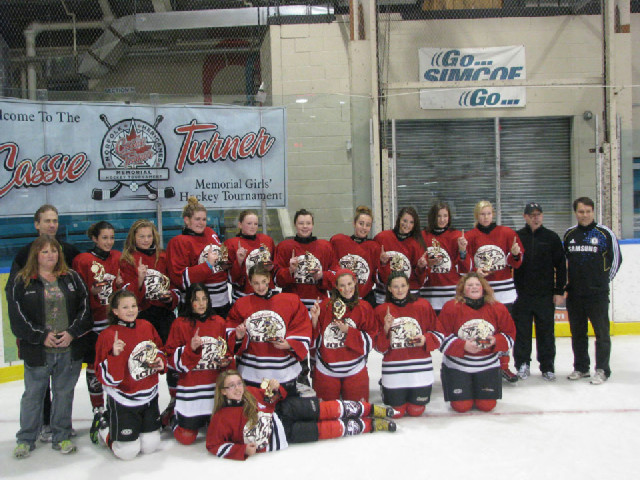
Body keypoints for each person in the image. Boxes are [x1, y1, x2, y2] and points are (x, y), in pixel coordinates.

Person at [8, 236, 91, 458]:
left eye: (54, 251)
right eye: (44, 252)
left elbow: (85, 309)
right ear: (35, 255)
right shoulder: (22, 280)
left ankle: (61, 436)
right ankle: (26, 438)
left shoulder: (72, 277)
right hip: (38, 352)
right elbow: (17, 319)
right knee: (33, 396)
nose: (50, 255)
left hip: (68, 350)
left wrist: (71, 333)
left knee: (64, 395)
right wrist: (40, 337)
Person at [206, 370, 396, 460]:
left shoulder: (252, 393)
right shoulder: (220, 418)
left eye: (239, 383)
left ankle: (370, 409)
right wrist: (242, 451)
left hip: (286, 410)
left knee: (327, 409)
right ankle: (370, 426)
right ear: (222, 391)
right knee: (327, 430)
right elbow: (213, 445)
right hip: (283, 435)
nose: (237, 389)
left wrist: (276, 389)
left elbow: (277, 397)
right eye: (231, 386)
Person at [119, 219, 180, 425]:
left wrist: (170, 298)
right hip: (141, 316)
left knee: (171, 359)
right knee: (142, 361)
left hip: (163, 315)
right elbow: (127, 297)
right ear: (133, 238)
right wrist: (138, 279)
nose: (146, 240)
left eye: (149, 236)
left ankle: (175, 402)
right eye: (141, 236)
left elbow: (174, 286)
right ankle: (142, 404)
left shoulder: (162, 256)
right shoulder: (127, 259)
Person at [94, 290, 166, 460]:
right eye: (125, 307)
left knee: (150, 446)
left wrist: (161, 361)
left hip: (148, 396)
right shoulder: (107, 336)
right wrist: (115, 356)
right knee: (127, 452)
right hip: (123, 399)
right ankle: (104, 427)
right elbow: (105, 377)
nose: (131, 310)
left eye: (133, 306)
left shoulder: (146, 326)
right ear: (115, 311)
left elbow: (159, 349)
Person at [226, 264, 312, 397]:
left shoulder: (290, 301)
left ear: (269, 279)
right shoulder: (241, 304)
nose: (260, 287)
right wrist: (238, 336)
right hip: (252, 373)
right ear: (250, 282)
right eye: (256, 283)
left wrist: (290, 344)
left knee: (284, 413)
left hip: (284, 373)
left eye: (264, 282)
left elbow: (301, 325)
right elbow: (231, 333)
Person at [72, 221, 123, 443]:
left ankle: (117, 403)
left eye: (111, 237)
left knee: (115, 362)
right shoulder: (82, 260)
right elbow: (75, 291)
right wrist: (89, 291)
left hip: (113, 321)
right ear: (94, 238)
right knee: (94, 366)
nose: (109, 242)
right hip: (92, 323)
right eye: (104, 238)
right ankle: (97, 408)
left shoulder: (117, 257)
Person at [163, 283, 233, 445]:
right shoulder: (180, 324)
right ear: (189, 302)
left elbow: (227, 352)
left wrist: (226, 361)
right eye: (196, 300)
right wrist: (190, 349)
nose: (201, 304)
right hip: (191, 388)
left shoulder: (219, 322)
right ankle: (173, 417)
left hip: (214, 388)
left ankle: (207, 417)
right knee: (186, 438)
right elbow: (171, 359)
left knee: (220, 433)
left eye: (204, 299)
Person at [563, 197, 622, 385]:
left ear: (593, 211)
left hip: (597, 294)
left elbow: (616, 260)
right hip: (575, 294)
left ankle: (603, 369)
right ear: (575, 213)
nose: (585, 215)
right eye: (581, 211)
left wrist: (602, 282)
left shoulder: (605, 234)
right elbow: (563, 263)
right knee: (578, 333)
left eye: (588, 211)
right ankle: (581, 367)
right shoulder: (569, 235)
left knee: (602, 334)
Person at [437, 273, 515, 413]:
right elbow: (440, 336)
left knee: (487, 406)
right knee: (461, 407)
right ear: (462, 289)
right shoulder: (451, 307)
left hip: (487, 365)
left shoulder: (497, 307)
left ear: (484, 288)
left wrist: (495, 341)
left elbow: (509, 334)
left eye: (477, 284)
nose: (474, 287)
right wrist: (463, 346)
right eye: (469, 285)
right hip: (458, 366)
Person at [466, 200, 524, 382]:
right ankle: (486, 366)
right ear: (477, 216)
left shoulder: (507, 233)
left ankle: (504, 366)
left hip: (505, 291)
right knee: (484, 330)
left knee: (503, 330)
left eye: (489, 213)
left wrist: (515, 254)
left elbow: (516, 261)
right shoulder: (470, 236)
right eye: (482, 214)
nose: (486, 217)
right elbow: (464, 264)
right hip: (481, 293)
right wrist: (475, 271)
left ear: (494, 214)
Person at [374, 271, 442, 418]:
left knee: (416, 411)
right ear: (389, 289)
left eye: (403, 286)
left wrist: (425, 339)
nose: (400, 290)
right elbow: (379, 348)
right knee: (397, 413)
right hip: (394, 370)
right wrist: (386, 328)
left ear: (409, 287)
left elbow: (439, 334)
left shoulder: (423, 305)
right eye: (396, 286)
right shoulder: (381, 311)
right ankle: (385, 386)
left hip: (420, 368)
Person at [513, 203, 566, 381]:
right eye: (532, 214)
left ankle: (547, 366)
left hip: (545, 294)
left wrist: (559, 290)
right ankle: (522, 364)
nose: (535, 217)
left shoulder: (551, 237)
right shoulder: (517, 237)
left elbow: (561, 266)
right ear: (525, 216)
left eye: (538, 214)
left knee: (546, 332)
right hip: (521, 294)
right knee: (522, 332)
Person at [310, 269, 377, 402]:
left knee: (358, 412)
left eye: (349, 284)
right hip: (326, 369)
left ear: (355, 283)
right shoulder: (325, 306)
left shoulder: (364, 307)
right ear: (336, 287)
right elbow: (313, 342)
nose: (347, 289)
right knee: (327, 414)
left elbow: (370, 341)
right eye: (342, 285)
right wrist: (315, 319)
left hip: (355, 369)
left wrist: (349, 331)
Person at [166, 197, 231, 317]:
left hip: (222, 301)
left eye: (204, 219)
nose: (201, 223)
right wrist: (207, 265)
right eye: (197, 219)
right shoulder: (178, 242)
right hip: (197, 305)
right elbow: (179, 279)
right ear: (186, 220)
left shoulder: (210, 232)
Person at [274, 208, 336, 311]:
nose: (305, 226)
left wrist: (322, 275)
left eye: (308, 223)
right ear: (295, 225)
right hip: (292, 305)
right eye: (301, 223)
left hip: (318, 305)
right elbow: (276, 280)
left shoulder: (325, 247)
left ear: (313, 225)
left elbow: (335, 277)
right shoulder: (284, 247)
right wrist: (289, 271)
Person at [420, 202, 470, 312]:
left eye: (445, 216)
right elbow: (418, 266)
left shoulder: (456, 236)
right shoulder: (422, 236)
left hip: (451, 292)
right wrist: (427, 263)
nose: (442, 220)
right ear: (433, 217)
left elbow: (465, 269)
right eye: (439, 216)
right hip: (429, 293)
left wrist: (463, 251)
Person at [373, 207, 427, 304]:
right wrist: (383, 264)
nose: (407, 225)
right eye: (405, 221)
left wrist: (421, 267)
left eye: (411, 222)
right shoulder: (382, 238)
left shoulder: (417, 243)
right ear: (399, 220)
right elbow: (374, 269)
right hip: (384, 294)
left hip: (409, 295)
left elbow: (420, 279)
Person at [330, 206, 381, 307]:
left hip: (365, 299)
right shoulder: (339, 242)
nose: (364, 228)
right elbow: (332, 266)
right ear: (354, 223)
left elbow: (376, 275)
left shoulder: (374, 247)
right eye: (361, 223)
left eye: (368, 225)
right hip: (341, 298)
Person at [224, 210, 276, 302]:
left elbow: (274, 268)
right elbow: (231, 278)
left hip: (266, 293)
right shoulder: (231, 244)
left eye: (256, 224)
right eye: (249, 223)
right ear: (240, 225)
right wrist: (239, 261)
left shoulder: (267, 240)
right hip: (244, 296)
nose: (253, 227)